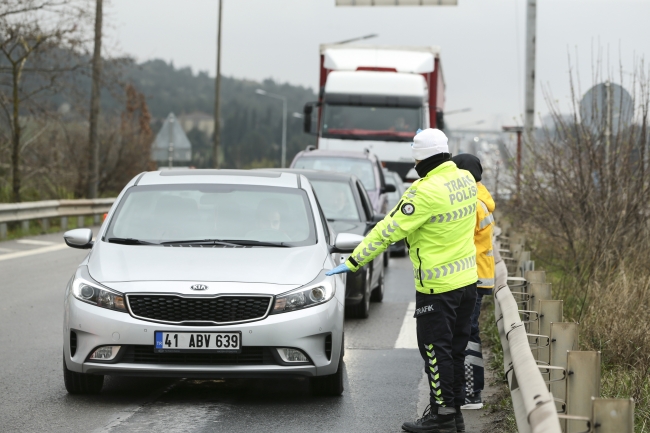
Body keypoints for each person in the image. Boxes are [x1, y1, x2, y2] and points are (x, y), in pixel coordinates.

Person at [327, 128, 478, 433]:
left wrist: (355, 260)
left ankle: (443, 417)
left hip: (438, 288)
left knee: (436, 352)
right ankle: (455, 414)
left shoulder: (424, 191)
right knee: (457, 350)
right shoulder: (466, 181)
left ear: (421, 159)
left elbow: (388, 230)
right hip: (467, 284)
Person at [451, 154, 496, 410]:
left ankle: (471, 393)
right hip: (477, 277)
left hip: (471, 277)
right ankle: (470, 391)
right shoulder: (481, 197)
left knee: (466, 334)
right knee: (469, 332)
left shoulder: (473, 204)